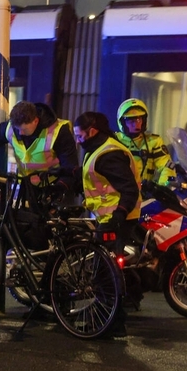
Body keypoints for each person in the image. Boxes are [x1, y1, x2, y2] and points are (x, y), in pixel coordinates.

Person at [73, 111, 141, 333]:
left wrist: (119, 214)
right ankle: (108, 318)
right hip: (107, 216)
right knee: (106, 269)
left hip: (116, 218)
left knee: (105, 271)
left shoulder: (108, 154)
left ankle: (110, 322)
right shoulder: (97, 149)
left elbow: (128, 188)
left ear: (92, 131)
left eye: (80, 135)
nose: (78, 140)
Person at [0, 101, 80, 193]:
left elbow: (69, 166)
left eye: (24, 129)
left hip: (54, 186)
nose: (20, 133)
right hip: (27, 186)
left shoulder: (59, 132)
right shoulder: (11, 128)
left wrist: (58, 190)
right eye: (17, 129)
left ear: (35, 121)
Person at [115, 98, 174, 194]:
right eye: (131, 121)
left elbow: (167, 167)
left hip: (145, 196)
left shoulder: (154, 141)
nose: (137, 124)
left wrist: (162, 189)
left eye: (139, 119)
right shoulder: (114, 141)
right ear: (122, 122)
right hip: (119, 195)